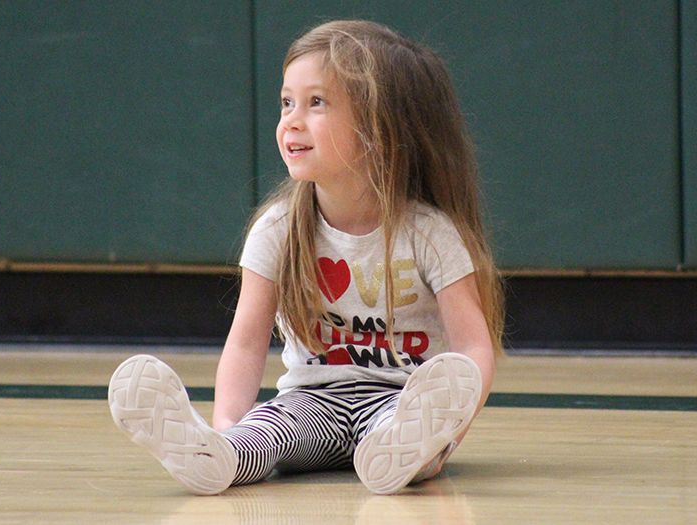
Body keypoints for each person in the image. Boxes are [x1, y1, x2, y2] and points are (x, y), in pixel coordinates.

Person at [108, 19, 505, 496]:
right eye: (286, 102)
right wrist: (225, 425)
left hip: (401, 399)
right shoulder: (278, 230)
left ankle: (410, 453)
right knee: (269, 433)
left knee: (400, 436)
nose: (291, 120)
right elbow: (246, 345)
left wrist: (450, 433)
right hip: (310, 400)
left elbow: (473, 347)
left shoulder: (428, 234)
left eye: (316, 102)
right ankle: (219, 457)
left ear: (379, 129)